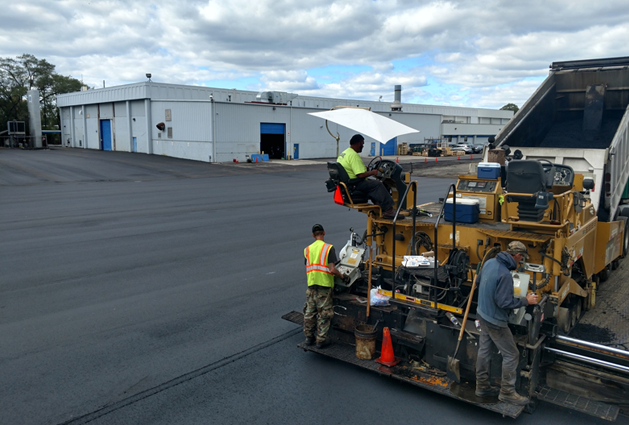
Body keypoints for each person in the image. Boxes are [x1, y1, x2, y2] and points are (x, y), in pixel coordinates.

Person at [475, 241, 538, 405]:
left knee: (484, 350)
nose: (521, 261)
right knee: (511, 354)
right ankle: (507, 392)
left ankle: (481, 386)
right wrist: (526, 301)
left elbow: (477, 282)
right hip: (495, 321)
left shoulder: (489, 262)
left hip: (482, 314)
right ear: (517, 255)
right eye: (521, 258)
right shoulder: (504, 275)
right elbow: (504, 303)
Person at [303, 224, 346, 349]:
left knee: (310, 312)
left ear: (313, 235)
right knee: (324, 313)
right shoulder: (329, 248)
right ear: (324, 233)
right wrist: (342, 276)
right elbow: (332, 269)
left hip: (311, 285)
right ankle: (321, 340)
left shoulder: (307, 249)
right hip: (324, 286)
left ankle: (308, 338)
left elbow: (309, 265)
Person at [337, 134, 399, 219]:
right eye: (362, 144)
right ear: (359, 143)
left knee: (372, 184)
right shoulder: (353, 155)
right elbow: (360, 175)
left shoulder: (344, 153)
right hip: (355, 184)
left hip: (348, 183)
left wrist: (364, 168)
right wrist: (373, 172)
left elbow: (350, 168)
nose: (362, 146)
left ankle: (379, 205)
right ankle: (389, 210)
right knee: (378, 184)